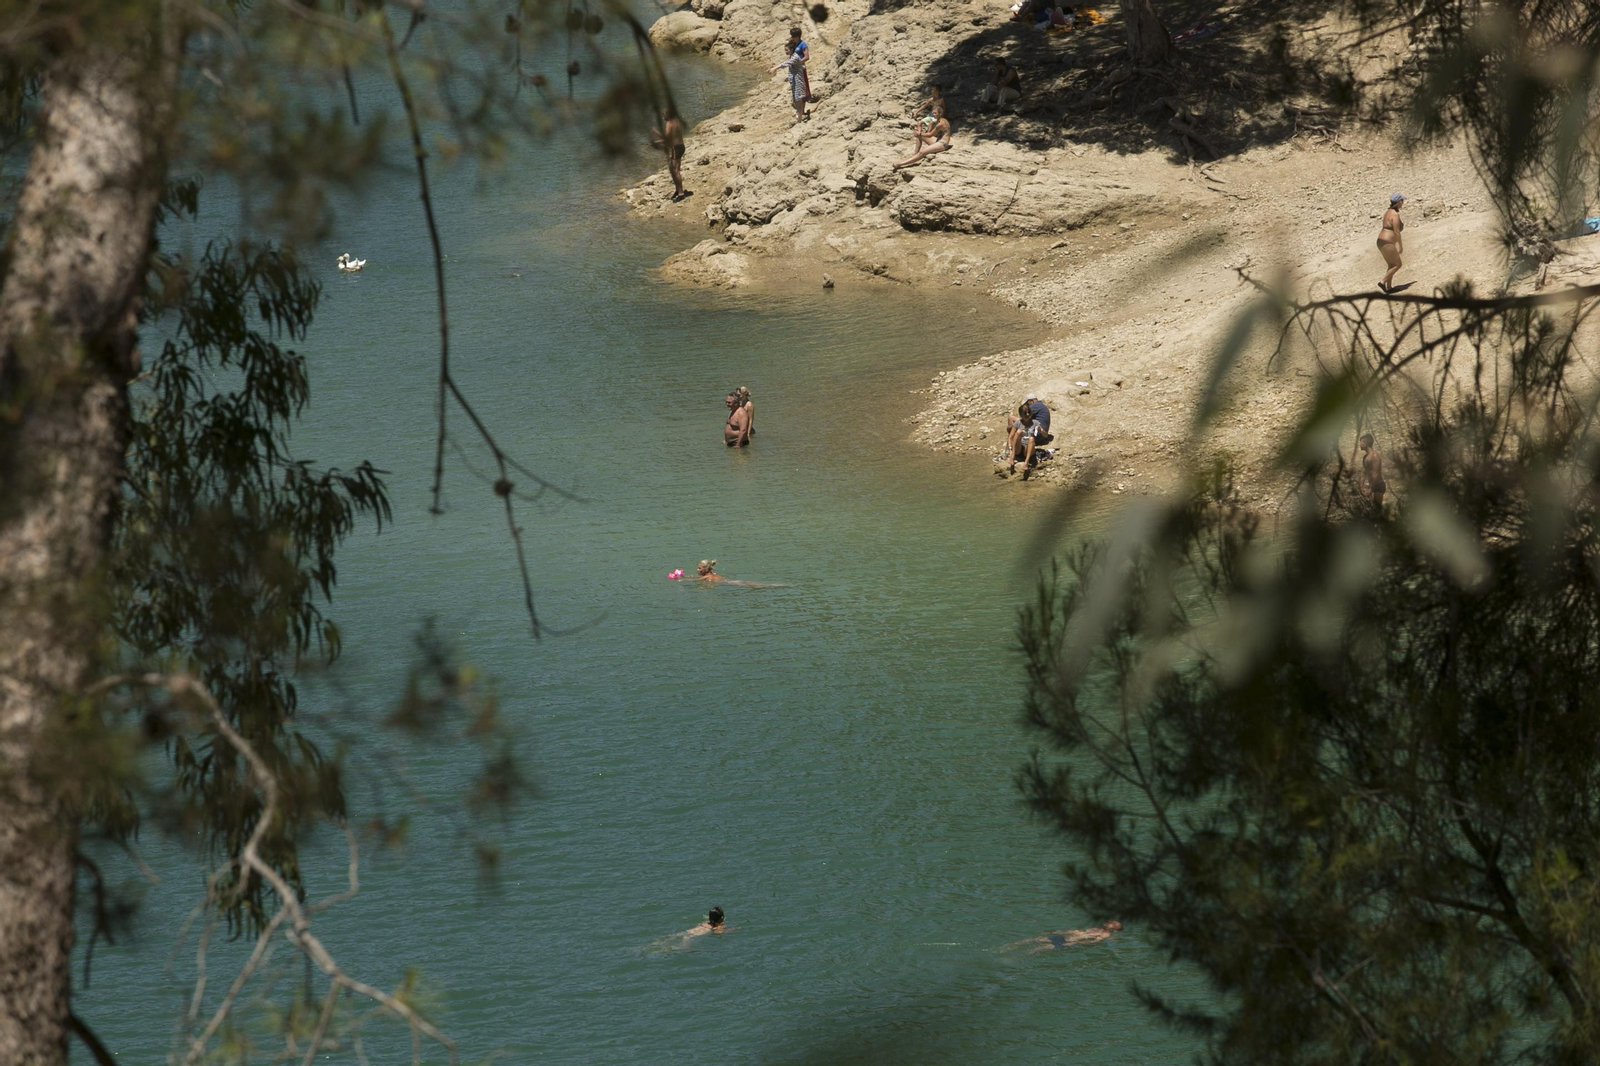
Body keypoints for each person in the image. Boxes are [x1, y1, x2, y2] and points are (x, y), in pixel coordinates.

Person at [1002, 921, 1122, 955]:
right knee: (1039, 948)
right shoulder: (1106, 934)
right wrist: (1079, 944)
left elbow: (1074, 931)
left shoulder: (1095, 929)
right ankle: (1018, 955)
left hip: (1068, 937)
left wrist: (1056, 931)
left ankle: (1007, 947)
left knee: (1034, 940)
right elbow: (1094, 941)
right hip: (1069, 941)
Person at [769, 42, 809, 124]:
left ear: (791, 49)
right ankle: (798, 114)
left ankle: (799, 119)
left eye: (787, 50)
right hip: (794, 80)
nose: (785, 52)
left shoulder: (795, 57)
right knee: (796, 98)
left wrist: (775, 68)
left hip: (798, 81)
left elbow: (786, 63)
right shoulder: (792, 56)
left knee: (798, 99)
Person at [999, 405, 1042, 477]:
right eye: (1025, 413)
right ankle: (1012, 456)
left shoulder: (1035, 422)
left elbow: (1045, 435)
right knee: (1018, 432)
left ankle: (1026, 462)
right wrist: (1010, 450)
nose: (1027, 415)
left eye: (1029, 412)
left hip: (1028, 448)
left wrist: (1041, 430)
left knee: (1031, 439)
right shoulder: (1018, 423)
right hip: (1019, 447)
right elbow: (1010, 437)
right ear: (1021, 414)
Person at [654, 108, 686, 201]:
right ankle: (678, 190)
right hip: (681, 146)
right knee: (676, 171)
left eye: (664, 114)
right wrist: (658, 141)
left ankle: (680, 193)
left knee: (675, 172)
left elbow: (666, 138)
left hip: (676, 149)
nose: (663, 116)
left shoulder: (669, 124)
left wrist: (656, 132)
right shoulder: (676, 122)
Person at [1377, 193, 1405, 293]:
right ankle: (1382, 282)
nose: (1403, 204)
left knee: (1391, 264)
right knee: (1397, 264)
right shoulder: (1395, 214)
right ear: (1398, 202)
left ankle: (1389, 287)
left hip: (1381, 241)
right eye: (1402, 201)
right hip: (1387, 242)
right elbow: (1397, 232)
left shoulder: (1388, 212)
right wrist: (1400, 245)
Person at [1359, 432, 1386, 511]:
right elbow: (1364, 472)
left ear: (1365, 443)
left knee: (1377, 511)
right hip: (1371, 486)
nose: (1359, 445)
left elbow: (1376, 474)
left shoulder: (1375, 456)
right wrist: (1361, 486)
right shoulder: (1365, 458)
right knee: (1371, 511)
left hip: (1378, 486)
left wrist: (1370, 490)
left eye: (1360, 442)